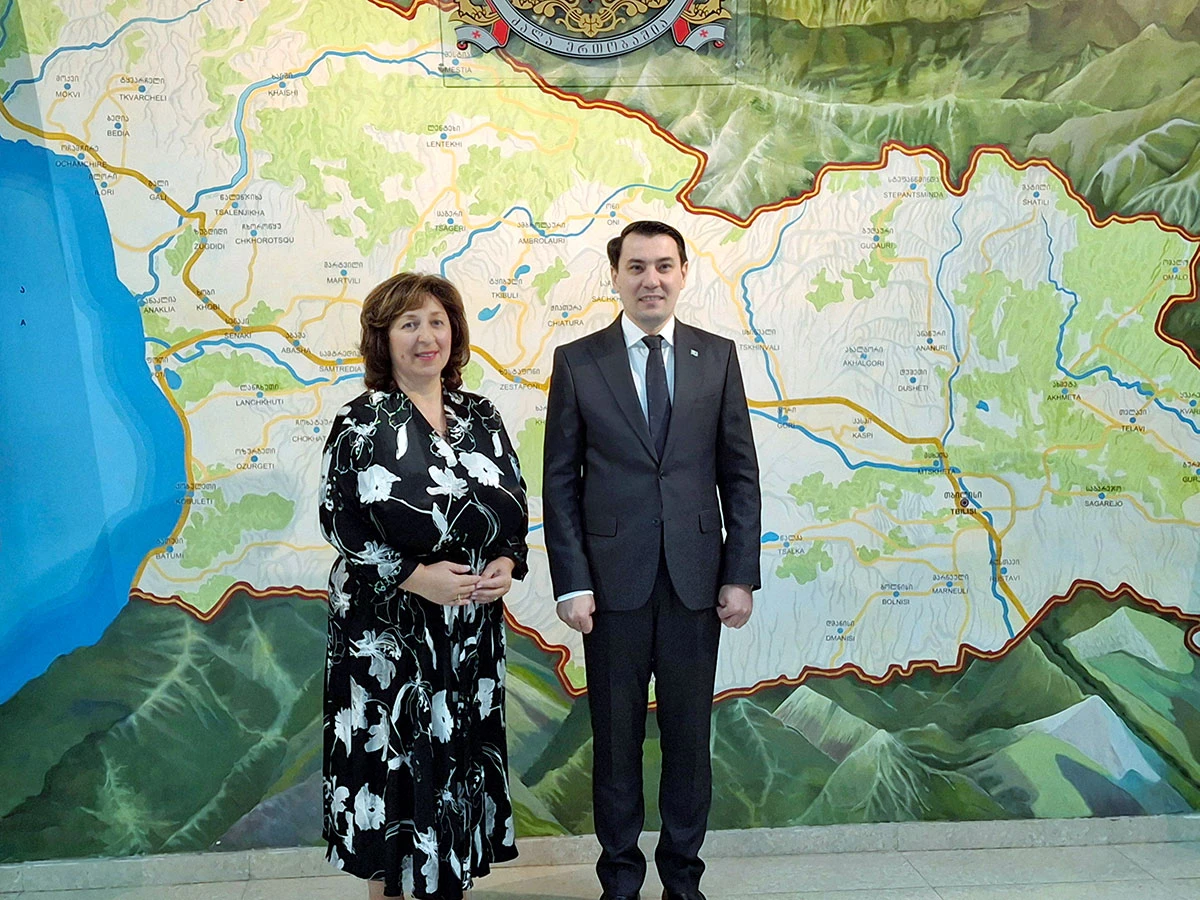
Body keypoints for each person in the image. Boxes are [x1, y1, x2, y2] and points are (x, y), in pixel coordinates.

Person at [543, 220, 761, 900]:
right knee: (615, 742)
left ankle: (683, 880)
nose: (651, 279)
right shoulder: (578, 362)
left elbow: (740, 475)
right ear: (615, 276)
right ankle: (619, 879)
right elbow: (559, 483)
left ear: (684, 273)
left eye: (664, 265)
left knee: (689, 742)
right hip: (611, 588)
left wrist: (739, 574)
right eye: (636, 266)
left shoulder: (717, 357)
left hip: (697, 582)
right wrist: (572, 582)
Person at [319, 272, 529, 899]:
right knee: (395, 771)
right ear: (383, 338)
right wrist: (416, 577)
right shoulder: (360, 422)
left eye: (437, 321)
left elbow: (513, 504)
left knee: (455, 763)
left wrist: (507, 562)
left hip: (468, 635)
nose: (426, 336)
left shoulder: (482, 416)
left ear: (454, 333)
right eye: (408, 324)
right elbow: (339, 520)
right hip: (388, 635)